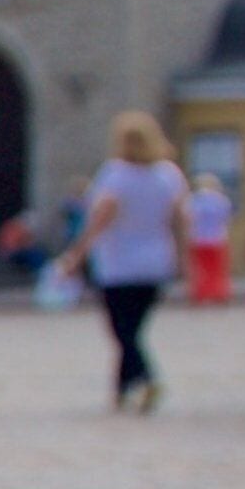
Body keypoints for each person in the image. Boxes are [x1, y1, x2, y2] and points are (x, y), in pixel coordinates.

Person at [55, 112, 189, 412]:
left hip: (119, 264)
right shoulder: (168, 175)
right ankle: (122, 389)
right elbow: (181, 219)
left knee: (123, 331)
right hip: (156, 260)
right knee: (133, 328)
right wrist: (183, 259)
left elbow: (99, 219)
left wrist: (77, 255)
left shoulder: (116, 174)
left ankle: (147, 376)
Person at [183, 173, 236, 306]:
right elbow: (226, 218)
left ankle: (200, 293)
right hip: (217, 239)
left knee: (200, 269)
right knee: (217, 269)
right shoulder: (221, 200)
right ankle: (218, 293)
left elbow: (188, 218)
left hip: (197, 239)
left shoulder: (193, 200)